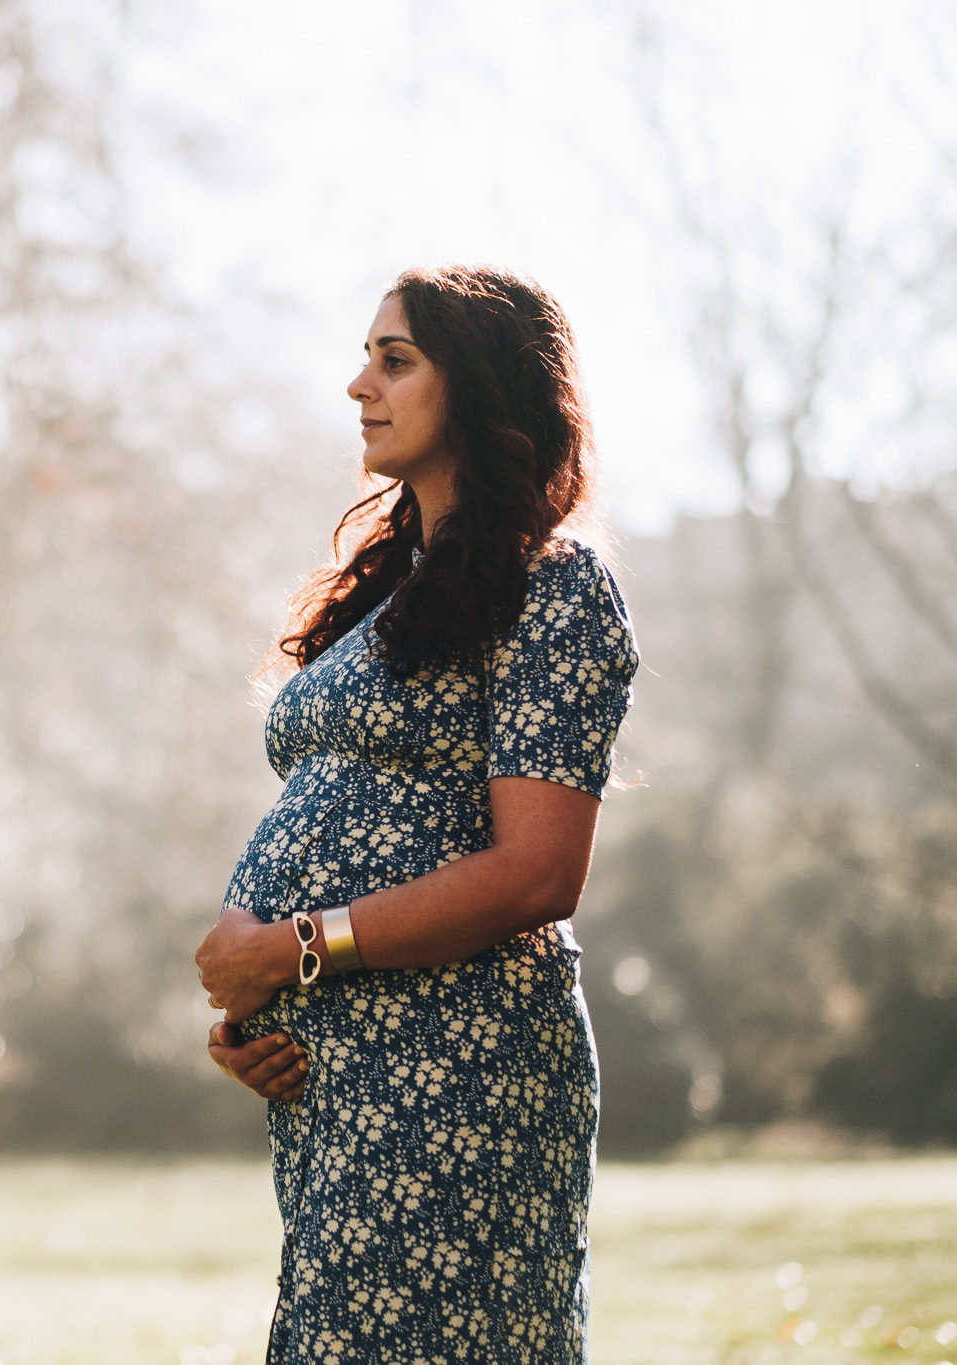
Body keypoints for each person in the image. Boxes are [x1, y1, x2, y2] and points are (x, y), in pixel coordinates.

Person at [194, 264, 638, 1362]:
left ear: (480, 390)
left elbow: (537, 874)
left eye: (394, 361)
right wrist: (258, 1014)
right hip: (341, 1076)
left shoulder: (555, 586)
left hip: (459, 1070)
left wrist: (295, 950)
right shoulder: (388, 592)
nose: (358, 386)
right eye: (365, 358)